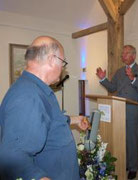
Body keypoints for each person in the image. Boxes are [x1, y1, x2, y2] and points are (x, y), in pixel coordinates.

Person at [0, 36, 89, 180]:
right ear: (51, 59)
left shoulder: (37, 89)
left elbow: (48, 120)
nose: (63, 68)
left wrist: (75, 120)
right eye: (63, 62)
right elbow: (13, 155)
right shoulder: (28, 96)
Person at [96, 45, 138, 179]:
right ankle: (124, 163)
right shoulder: (119, 72)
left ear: (133, 55)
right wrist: (103, 79)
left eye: (126, 53)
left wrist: (133, 79)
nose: (123, 56)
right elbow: (113, 88)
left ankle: (133, 168)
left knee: (131, 140)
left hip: (133, 113)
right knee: (121, 140)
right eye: (122, 54)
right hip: (118, 111)